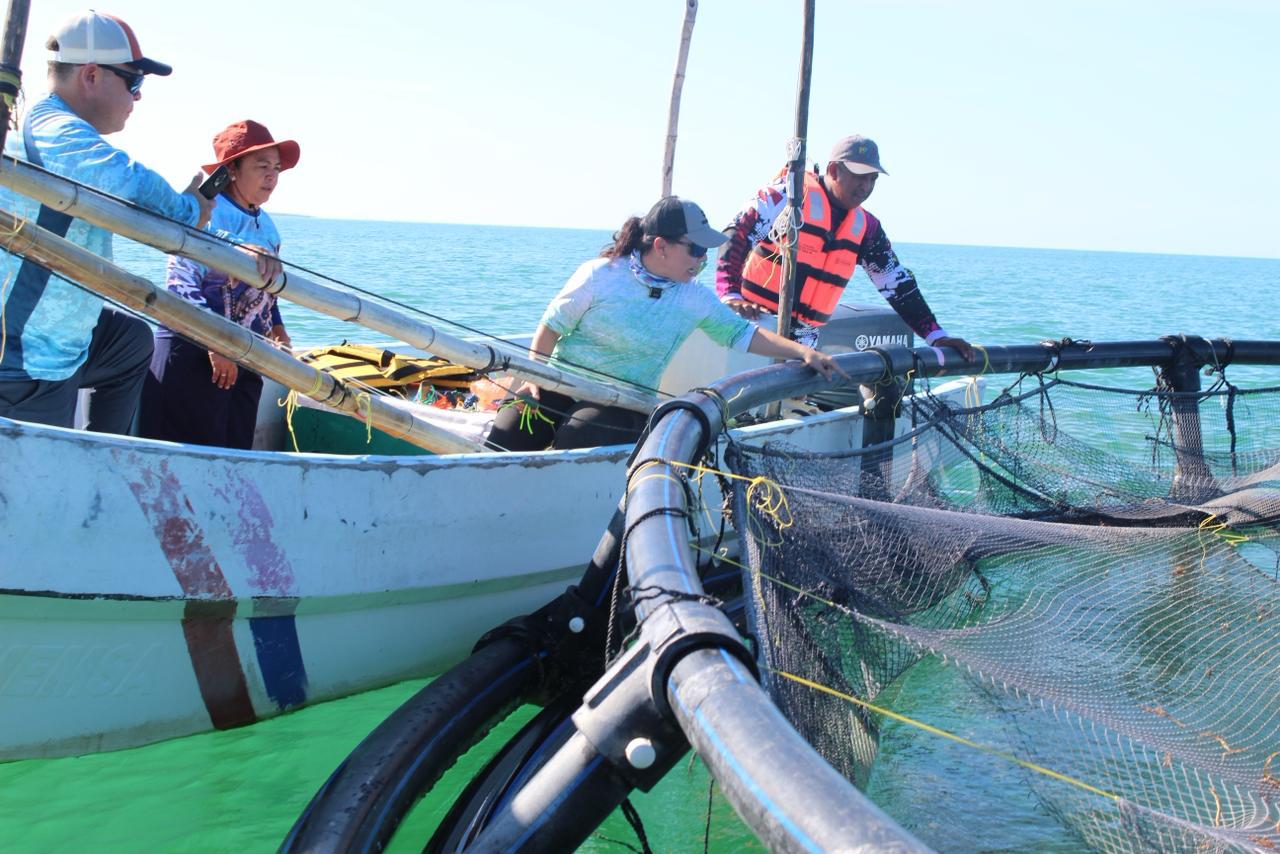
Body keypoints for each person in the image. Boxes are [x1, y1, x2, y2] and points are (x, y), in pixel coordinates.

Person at [485, 196, 847, 452]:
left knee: (575, 439)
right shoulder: (599, 276)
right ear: (660, 246)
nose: (703, 259)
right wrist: (534, 376)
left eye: (706, 251)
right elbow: (550, 327)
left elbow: (742, 334)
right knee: (507, 435)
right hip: (558, 384)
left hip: (623, 402)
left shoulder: (693, 296)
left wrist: (804, 352)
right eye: (695, 250)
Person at [0, 10, 216, 433]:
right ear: (92, 75)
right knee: (40, 492)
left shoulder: (55, 129)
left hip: (66, 339)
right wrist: (191, 210)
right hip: (30, 362)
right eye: (133, 81)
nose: (137, 97)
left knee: (132, 342)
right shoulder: (55, 130)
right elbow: (127, 182)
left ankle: (107, 458)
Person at [717, 135, 972, 360]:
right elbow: (735, 234)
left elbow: (898, 285)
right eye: (859, 177)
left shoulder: (867, 228)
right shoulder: (785, 197)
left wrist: (936, 336)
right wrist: (730, 295)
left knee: (789, 403)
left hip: (805, 340)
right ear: (834, 170)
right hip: (754, 326)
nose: (866, 187)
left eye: (872, 179)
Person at [139, 121, 297, 449]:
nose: (272, 176)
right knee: (187, 461)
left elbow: (266, 292)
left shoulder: (267, 226)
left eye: (277, 168)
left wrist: (278, 328)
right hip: (195, 352)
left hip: (245, 355)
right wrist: (216, 344)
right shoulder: (206, 210)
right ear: (232, 171)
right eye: (262, 166)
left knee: (234, 460)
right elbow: (179, 285)